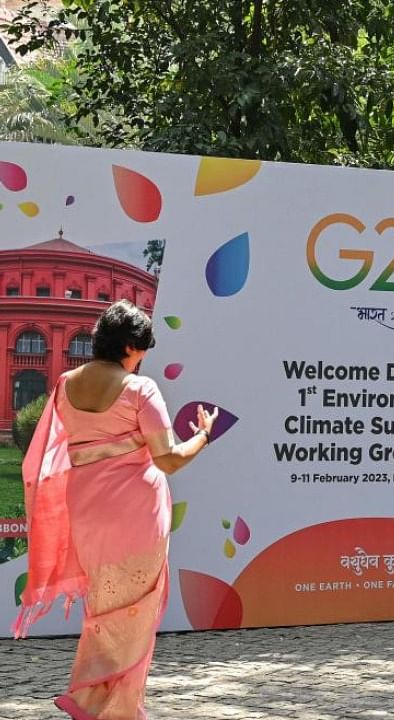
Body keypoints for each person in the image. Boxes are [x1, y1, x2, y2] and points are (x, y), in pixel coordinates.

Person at [13, 300, 217, 720]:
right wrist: (202, 436)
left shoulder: (66, 384)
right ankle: (110, 707)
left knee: (104, 607)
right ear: (129, 345)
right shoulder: (140, 389)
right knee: (136, 611)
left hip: (87, 513)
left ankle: (101, 700)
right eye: (142, 350)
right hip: (135, 515)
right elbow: (168, 459)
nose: (142, 359)